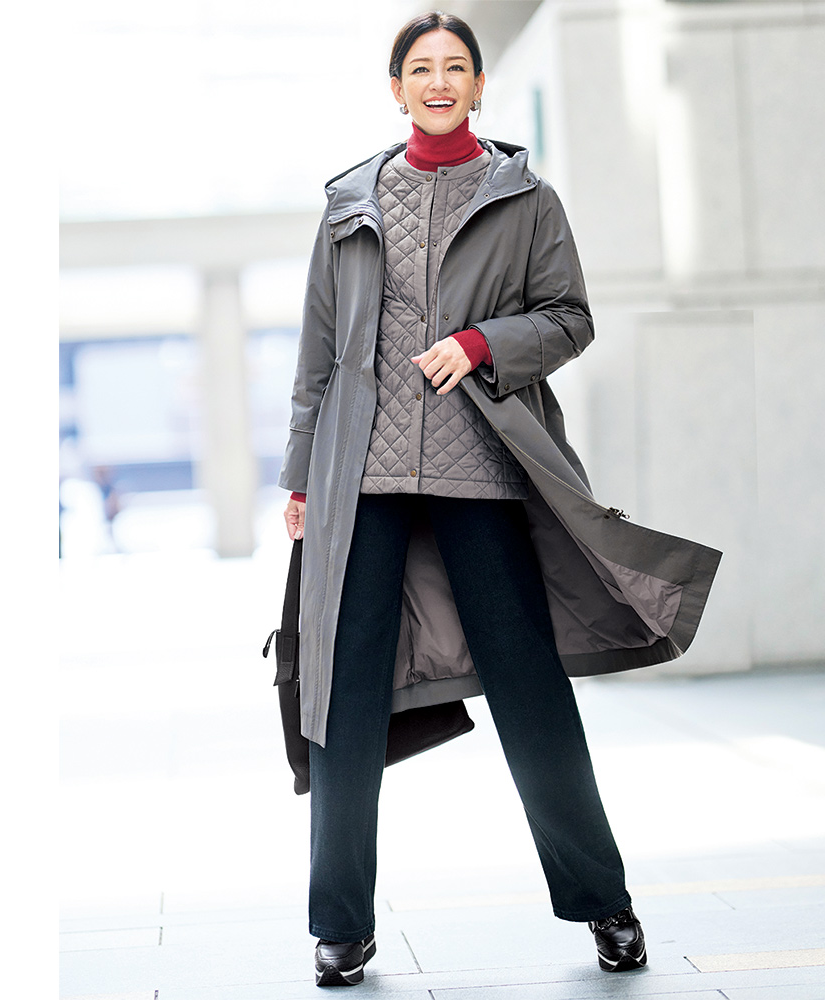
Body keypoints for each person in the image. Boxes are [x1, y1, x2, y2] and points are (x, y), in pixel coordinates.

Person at [278, 9, 720, 988]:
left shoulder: (525, 200)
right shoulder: (349, 204)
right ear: (396, 88)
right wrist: (302, 476)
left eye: (456, 67)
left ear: (480, 86)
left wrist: (482, 344)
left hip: (480, 468)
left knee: (531, 692)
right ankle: (339, 925)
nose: (438, 81)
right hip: (362, 479)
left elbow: (569, 318)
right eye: (420, 68)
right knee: (342, 699)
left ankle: (603, 902)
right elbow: (318, 354)